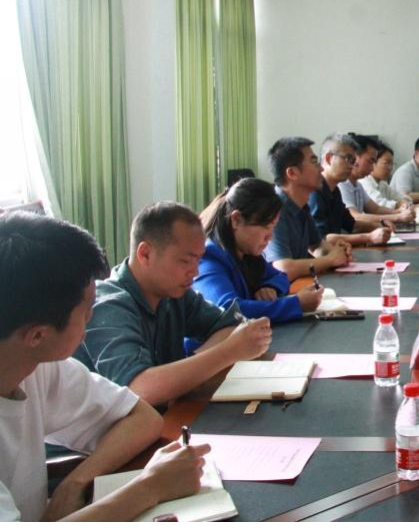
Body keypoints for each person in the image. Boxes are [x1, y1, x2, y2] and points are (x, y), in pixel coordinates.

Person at [0, 213, 210, 521]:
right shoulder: (34, 360)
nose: (92, 317)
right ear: (37, 335)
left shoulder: (35, 365)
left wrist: (76, 481)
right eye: (86, 310)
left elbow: (142, 418)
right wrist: (150, 487)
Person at [75, 202, 273, 406]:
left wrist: (188, 370)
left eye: (198, 260)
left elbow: (229, 326)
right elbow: (139, 389)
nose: (195, 272)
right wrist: (227, 352)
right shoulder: (107, 306)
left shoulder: (173, 292)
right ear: (145, 254)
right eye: (185, 261)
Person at [195, 178, 324, 324]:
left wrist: (270, 287)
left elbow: (280, 276)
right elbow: (229, 309)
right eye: (266, 227)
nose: (270, 237)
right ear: (236, 220)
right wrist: (295, 304)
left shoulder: (247, 253)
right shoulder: (207, 257)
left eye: (273, 227)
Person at [263, 137, 353, 280]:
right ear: (292, 173)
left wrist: (336, 251)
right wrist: (330, 260)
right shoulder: (273, 209)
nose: (321, 168)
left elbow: (316, 246)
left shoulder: (301, 205)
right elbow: (283, 268)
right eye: (314, 162)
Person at [309, 133, 392, 245]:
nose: (352, 166)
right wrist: (369, 237)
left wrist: (379, 225)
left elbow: (351, 224)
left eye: (353, 161)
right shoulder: (314, 191)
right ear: (329, 158)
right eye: (348, 159)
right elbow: (320, 239)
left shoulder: (335, 190)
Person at [340, 134, 415, 227]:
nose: (372, 168)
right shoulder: (342, 184)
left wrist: (398, 211)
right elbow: (355, 217)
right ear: (355, 157)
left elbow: (376, 209)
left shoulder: (358, 184)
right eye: (370, 161)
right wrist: (397, 217)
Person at [359, 142, 414, 210]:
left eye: (392, 164)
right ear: (374, 162)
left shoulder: (383, 184)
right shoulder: (364, 182)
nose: (390, 168)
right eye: (386, 163)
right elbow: (379, 204)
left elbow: (400, 197)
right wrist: (400, 204)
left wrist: (403, 203)